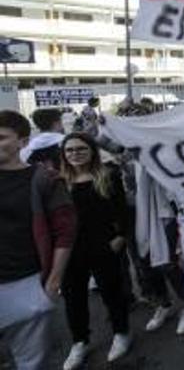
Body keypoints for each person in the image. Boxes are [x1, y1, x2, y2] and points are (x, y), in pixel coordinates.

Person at [0, 110, 75, 370]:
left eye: (1, 137)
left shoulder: (44, 179)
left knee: (32, 363)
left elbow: (64, 233)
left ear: (22, 141)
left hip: (26, 283)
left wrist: (53, 283)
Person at [58, 132, 131, 369]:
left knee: (111, 292)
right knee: (73, 297)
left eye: (80, 149)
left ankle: (121, 333)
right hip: (70, 249)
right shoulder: (58, 181)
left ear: (92, 151)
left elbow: (122, 209)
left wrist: (120, 237)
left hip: (103, 245)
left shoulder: (108, 175)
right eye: (69, 150)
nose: (75, 154)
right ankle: (80, 341)